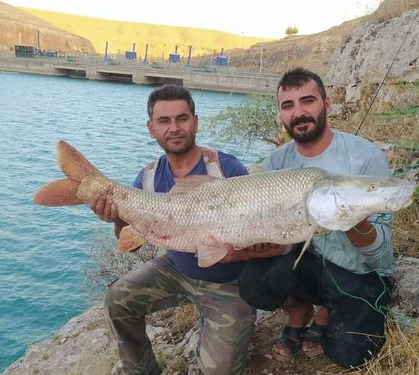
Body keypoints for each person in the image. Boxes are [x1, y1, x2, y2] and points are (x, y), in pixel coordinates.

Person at [227, 67, 395, 368]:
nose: (299, 113)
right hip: (306, 262)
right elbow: (277, 238)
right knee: (254, 282)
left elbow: (381, 254)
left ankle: (328, 311)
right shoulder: (277, 162)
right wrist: (250, 245)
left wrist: (353, 220)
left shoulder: (365, 158)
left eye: (308, 101)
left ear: (326, 106)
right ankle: (300, 310)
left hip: (357, 272)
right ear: (280, 114)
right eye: (288, 106)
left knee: (351, 355)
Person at [92, 84, 256, 375]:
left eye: (182, 118)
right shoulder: (149, 176)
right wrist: (116, 217)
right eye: (164, 121)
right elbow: (132, 240)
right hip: (175, 269)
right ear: (151, 129)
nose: (174, 128)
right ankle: (141, 370)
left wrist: (238, 253)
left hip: (229, 284)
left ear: (195, 122)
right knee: (117, 300)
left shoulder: (227, 170)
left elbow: (261, 234)